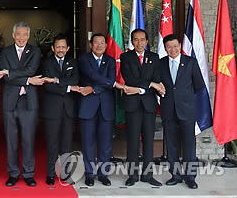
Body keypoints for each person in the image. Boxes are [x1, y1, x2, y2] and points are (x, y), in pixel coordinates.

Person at [78, 33, 125, 187]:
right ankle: (89, 174)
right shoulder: (84, 59)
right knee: (88, 142)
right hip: (88, 107)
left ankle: (103, 174)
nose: (99, 46)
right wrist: (110, 84)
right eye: (96, 43)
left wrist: (93, 88)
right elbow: (92, 75)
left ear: (106, 45)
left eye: (102, 43)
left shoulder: (110, 61)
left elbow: (111, 79)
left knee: (105, 143)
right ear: (91, 45)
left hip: (105, 107)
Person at [0, 22, 42, 187]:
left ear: (28, 36)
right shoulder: (6, 52)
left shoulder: (35, 51)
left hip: (28, 101)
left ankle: (29, 174)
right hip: (10, 101)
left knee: (28, 139)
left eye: (25, 35)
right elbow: (5, 76)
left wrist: (14, 73)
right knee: (11, 140)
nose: (22, 38)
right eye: (19, 34)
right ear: (13, 35)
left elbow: (31, 70)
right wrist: (27, 80)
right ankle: (13, 174)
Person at [120, 28, 164, 187]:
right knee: (132, 140)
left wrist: (142, 88)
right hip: (132, 105)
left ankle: (148, 175)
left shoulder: (154, 57)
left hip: (148, 105)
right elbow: (129, 79)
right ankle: (132, 175)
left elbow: (158, 79)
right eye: (136, 40)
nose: (139, 43)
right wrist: (151, 84)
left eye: (142, 40)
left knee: (148, 141)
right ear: (132, 42)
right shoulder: (125, 57)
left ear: (147, 41)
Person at [160, 34, 204, 189]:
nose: (173, 49)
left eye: (175, 46)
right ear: (165, 48)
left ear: (180, 46)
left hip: (187, 109)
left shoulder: (190, 62)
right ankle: (175, 175)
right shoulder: (161, 63)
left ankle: (190, 177)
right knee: (171, 144)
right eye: (169, 47)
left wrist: (184, 97)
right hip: (168, 110)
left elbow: (198, 85)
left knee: (189, 144)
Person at [41, 34, 80, 186]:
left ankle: (65, 173)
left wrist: (57, 80)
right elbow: (48, 86)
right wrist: (69, 88)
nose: (61, 50)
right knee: (52, 143)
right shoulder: (47, 63)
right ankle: (50, 174)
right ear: (53, 48)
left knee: (66, 144)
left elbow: (75, 79)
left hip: (68, 109)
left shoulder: (73, 62)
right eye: (58, 47)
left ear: (68, 48)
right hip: (52, 109)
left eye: (63, 47)